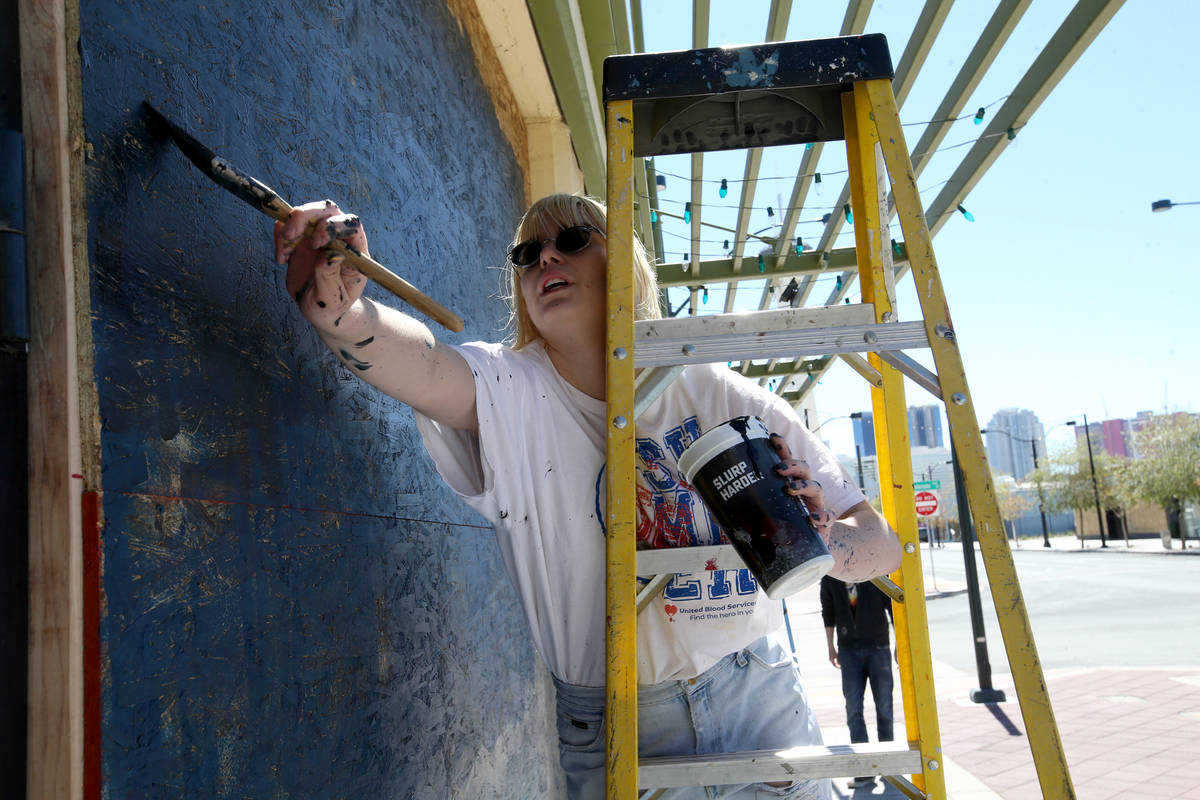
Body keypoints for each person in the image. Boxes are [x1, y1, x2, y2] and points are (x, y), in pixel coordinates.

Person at [275, 193, 902, 799]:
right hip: (611, 727)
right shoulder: (511, 390)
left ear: (624, 263)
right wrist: (341, 310)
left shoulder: (718, 390)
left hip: (755, 698)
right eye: (527, 254)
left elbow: (882, 547)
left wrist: (823, 540)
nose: (546, 258)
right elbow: (426, 368)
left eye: (573, 240)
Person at [819, 575, 895, 790]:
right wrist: (830, 646)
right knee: (853, 709)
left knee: (885, 708)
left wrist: (900, 643)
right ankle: (864, 771)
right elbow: (828, 611)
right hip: (848, 649)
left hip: (878, 646)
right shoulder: (831, 575)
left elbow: (892, 607)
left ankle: (889, 766)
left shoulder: (875, 569)